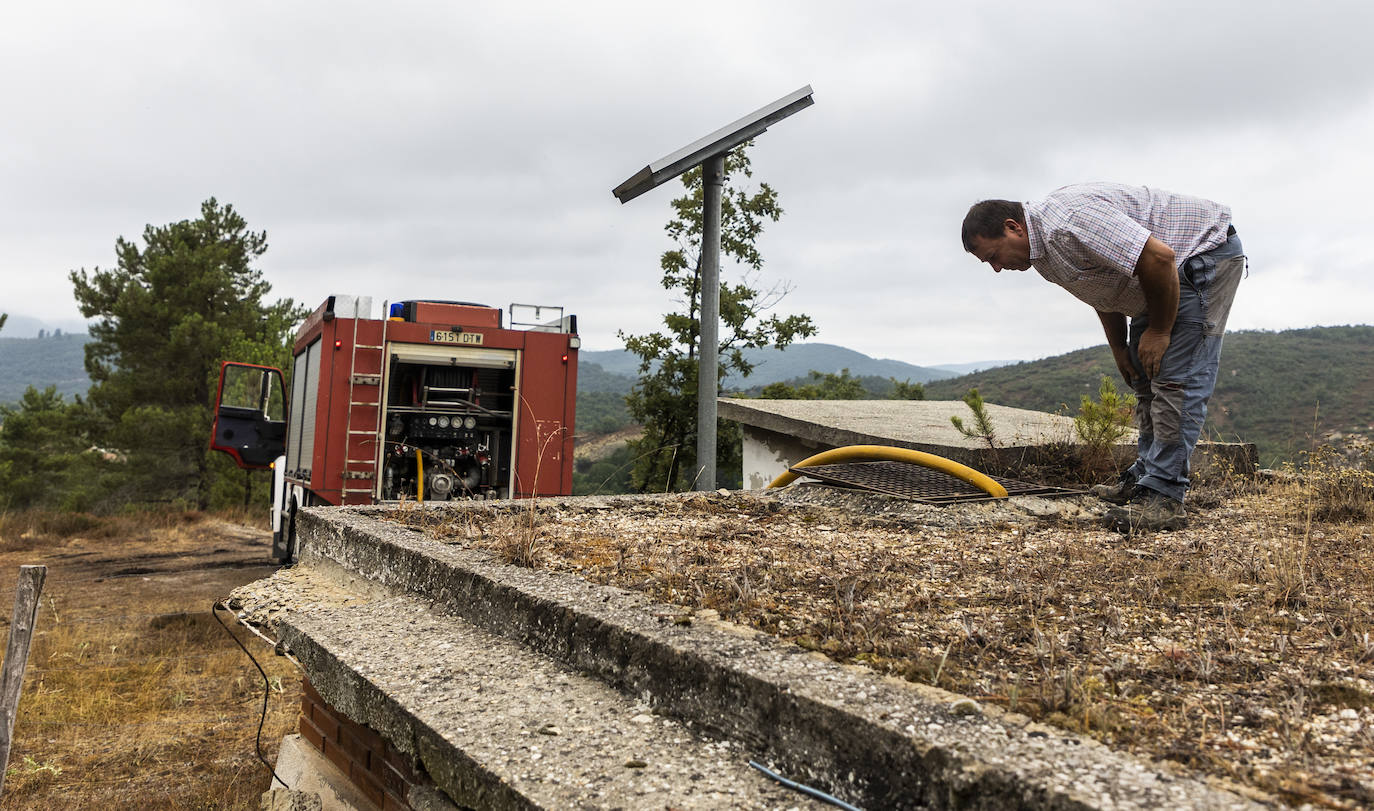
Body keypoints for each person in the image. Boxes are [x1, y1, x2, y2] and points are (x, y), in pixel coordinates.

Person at [961, 183, 1245, 531]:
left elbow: (1161, 258)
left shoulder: (1069, 223)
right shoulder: (1044, 253)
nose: (996, 268)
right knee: (1143, 375)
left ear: (1012, 228)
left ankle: (1164, 496)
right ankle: (1146, 476)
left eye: (993, 256)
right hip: (1154, 276)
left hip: (1199, 255)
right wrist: (1120, 348)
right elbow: (1102, 287)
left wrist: (1159, 331)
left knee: (1174, 380)